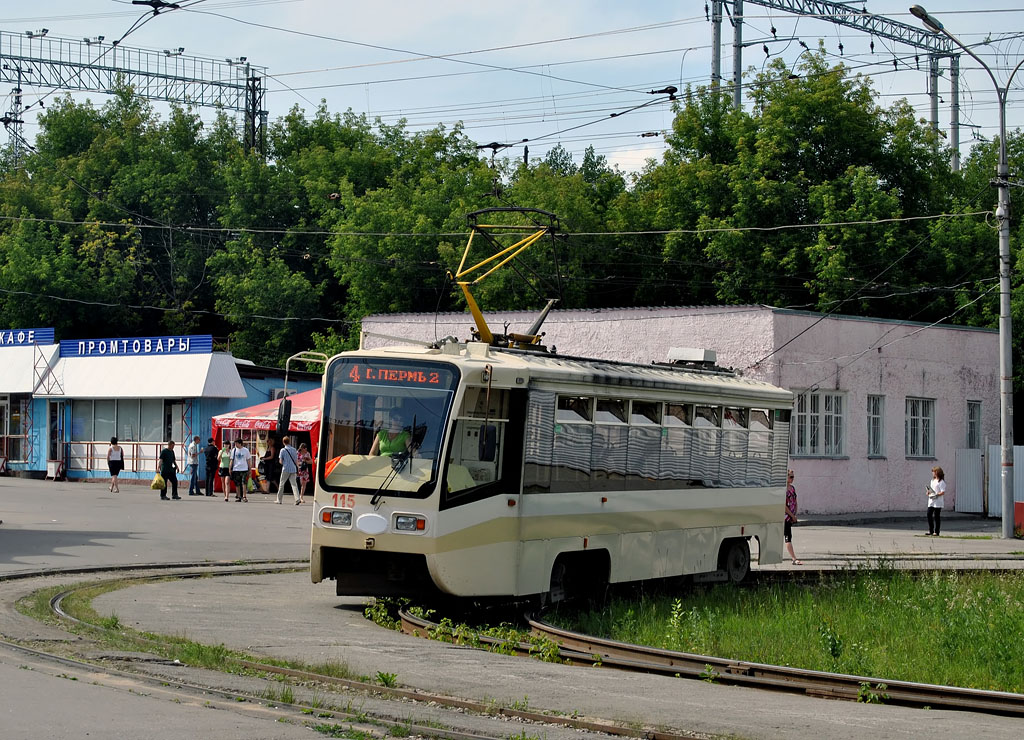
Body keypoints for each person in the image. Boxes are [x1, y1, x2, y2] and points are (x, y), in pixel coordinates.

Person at [785, 469, 802, 565]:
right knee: (788, 537)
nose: (792, 479)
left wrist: (795, 513)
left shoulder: (792, 488)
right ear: (786, 477)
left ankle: (793, 558)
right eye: (791, 477)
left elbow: (795, 501)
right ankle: (794, 558)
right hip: (786, 517)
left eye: (793, 477)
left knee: (788, 536)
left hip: (791, 516)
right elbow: (784, 506)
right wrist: (791, 516)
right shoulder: (784, 490)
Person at [277, 435, 301, 505]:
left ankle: (279, 499)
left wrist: (283, 463)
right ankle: (297, 499)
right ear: (289, 441)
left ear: (283, 442)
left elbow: (280, 461)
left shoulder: (282, 450)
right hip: (293, 469)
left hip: (285, 469)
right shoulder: (294, 449)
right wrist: (298, 467)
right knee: (294, 484)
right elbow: (296, 460)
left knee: (282, 484)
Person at [229, 438, 251, 502]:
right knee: (237, 483)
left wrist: (249, 469)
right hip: (236, 468)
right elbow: (231, 460)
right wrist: (230, 468)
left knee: (244, 482)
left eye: (236, 443)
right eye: (235, 443)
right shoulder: (234, 450)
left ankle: (244, 496)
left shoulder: (246, 450)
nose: (235, 444)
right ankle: (239, 496)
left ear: (240, 443)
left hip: (244, 468)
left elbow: (248, 460)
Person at [927, 466, 946, 536]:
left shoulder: (941, 482)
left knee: (936, 516)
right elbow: (931, 489)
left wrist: (936, 495)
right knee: (929, 514)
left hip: (938, 501)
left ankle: (936, 531)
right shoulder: (932, 481)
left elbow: (942, 492)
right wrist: (928, 492)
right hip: (932, 501)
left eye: (934, 472)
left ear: (937, 472)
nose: (933, 473)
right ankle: (930, 530)